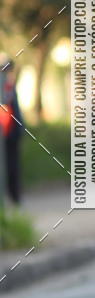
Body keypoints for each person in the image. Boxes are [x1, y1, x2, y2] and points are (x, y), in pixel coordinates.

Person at [0, 60, 24, 205]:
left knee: (13, 167)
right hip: (7, 134)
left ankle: (15, 198)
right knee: (9, 167)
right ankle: (12, 198)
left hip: (12, 134)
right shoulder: (6, 87)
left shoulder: (10, 86)